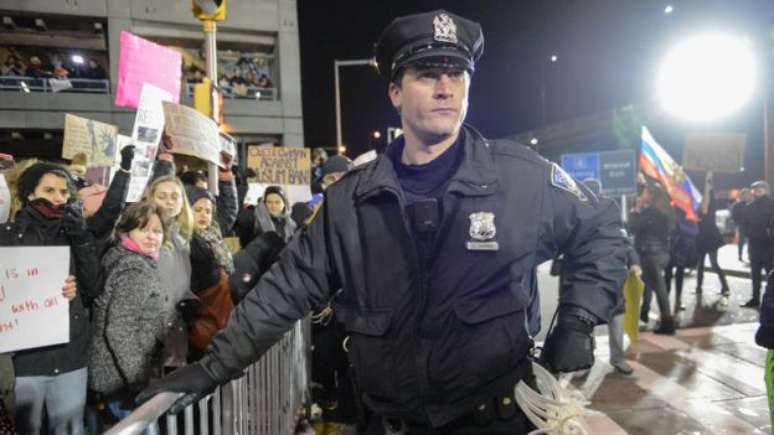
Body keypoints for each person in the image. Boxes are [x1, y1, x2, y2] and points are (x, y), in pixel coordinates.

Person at [138, 10, 628, 433]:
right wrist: (214, 369)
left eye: (457, 74)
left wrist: (579, 319)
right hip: (391, 424)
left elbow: (603, 228)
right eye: (427, 73)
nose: (445, 88)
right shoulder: (352, 201)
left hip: (495, 420)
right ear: (395, 92)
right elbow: (284, 290)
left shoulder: (521, 177)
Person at [1, 162, 99, 435]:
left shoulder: (76, 233)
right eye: (49, 190)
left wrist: (76, 288)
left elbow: (94, 288)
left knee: (69, 429)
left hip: (70, 356)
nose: (58, 198)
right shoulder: (5, 237)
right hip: (24, 360)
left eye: (63, 191)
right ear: (29, 194)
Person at [89, 201, 168, 419]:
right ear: (125, 232)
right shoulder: (135, 268)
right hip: (122, 381)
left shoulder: (123, 257)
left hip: (114, 376)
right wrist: (138, 380)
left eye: (157, 231)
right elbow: (120, 328)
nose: (152, 236)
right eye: (143, 229)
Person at [630, 183, 676, 334]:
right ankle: (645, 312)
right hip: (661, 252)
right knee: (650, 284)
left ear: (650, 195)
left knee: (659, 286)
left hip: (651, 253)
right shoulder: (664, 211)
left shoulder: (651, 212)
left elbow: (634, 226)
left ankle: (667, 322)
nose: (641, 195)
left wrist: (636, 209)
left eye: (644, 193)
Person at [695, 174, 730, 296]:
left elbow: (704, 208)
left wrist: (708, 180)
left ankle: (725, 286)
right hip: (700, 235)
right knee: (700, 265)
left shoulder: (711, 199)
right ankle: (698, 287)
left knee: (714, 264)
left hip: (710, 235)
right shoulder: (699, 200)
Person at [742, 180, 774, 308]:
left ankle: (771, 300)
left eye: (759, 190)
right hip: (754, 245)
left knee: (770, 275)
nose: (756, 192)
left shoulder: (772, 205)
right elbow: (744, 224)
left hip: (769, 246)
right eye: (754, 190)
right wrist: (748, 234)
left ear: (766, 190)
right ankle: (755, 298)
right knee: (755, 275)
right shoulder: (749, 207)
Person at [731, 188, 752, 263]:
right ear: (742, 195)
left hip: (750, 226)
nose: (746, 196)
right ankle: (740, 255)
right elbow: (733, 215)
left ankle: (749, 255)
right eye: (745, 194)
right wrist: (737, 224)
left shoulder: (751, 204)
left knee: (750, 241)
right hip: (741, 225)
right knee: (741, 242)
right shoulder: (737, 205)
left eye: (747, 194)